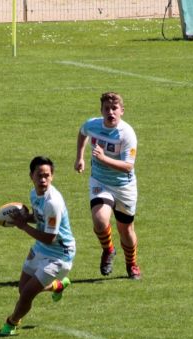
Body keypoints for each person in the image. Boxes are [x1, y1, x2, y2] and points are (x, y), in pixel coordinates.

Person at [0, 156, 76, 337]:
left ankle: (11, 322)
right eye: (39, 175)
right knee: (22, 288)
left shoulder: (53, 202)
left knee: (26, 295)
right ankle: (57, 286)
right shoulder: (34, 194)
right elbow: (39, 217)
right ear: (31, 176)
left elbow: (50, 237)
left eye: (47, 176)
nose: (43, 180)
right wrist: (26, 218)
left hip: (59, 254)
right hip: (41, 248)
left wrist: (23, 226)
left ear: (52, 177)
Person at [74, 92, 141, 279]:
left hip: (123, 186)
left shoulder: (127, 134)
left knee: (125, 230)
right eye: (107, 109)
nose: (110, 112)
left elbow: (128, 166)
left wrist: (103, 158)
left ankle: (132, 264)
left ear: (122, 111)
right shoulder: (93, 125)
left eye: (114, 109)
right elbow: (82, 132)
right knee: (100, 219)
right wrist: (80, 157)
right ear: (101, 111)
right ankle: (108, 250)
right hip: (100, 181)